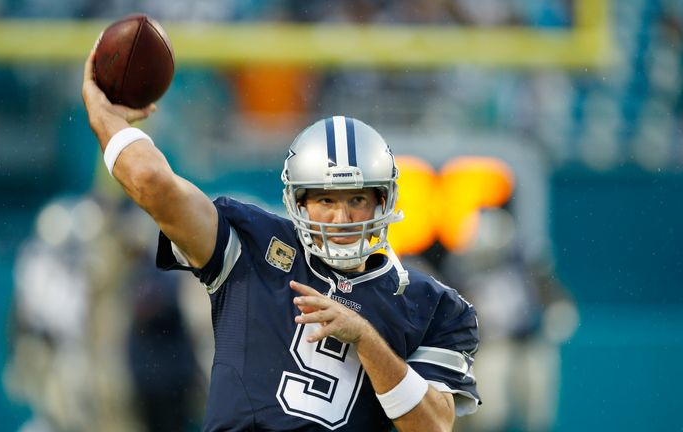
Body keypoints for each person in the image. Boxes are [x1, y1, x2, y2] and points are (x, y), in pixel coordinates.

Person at [81, 44, 480, 431]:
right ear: (299, 203)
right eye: (325, 199)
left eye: (357, 198)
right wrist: (107, 119)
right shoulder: (253, 247)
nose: (341, 217)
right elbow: (152, 183)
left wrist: (365, 338)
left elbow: (431, 426)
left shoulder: (431, 306)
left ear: (383, 201)